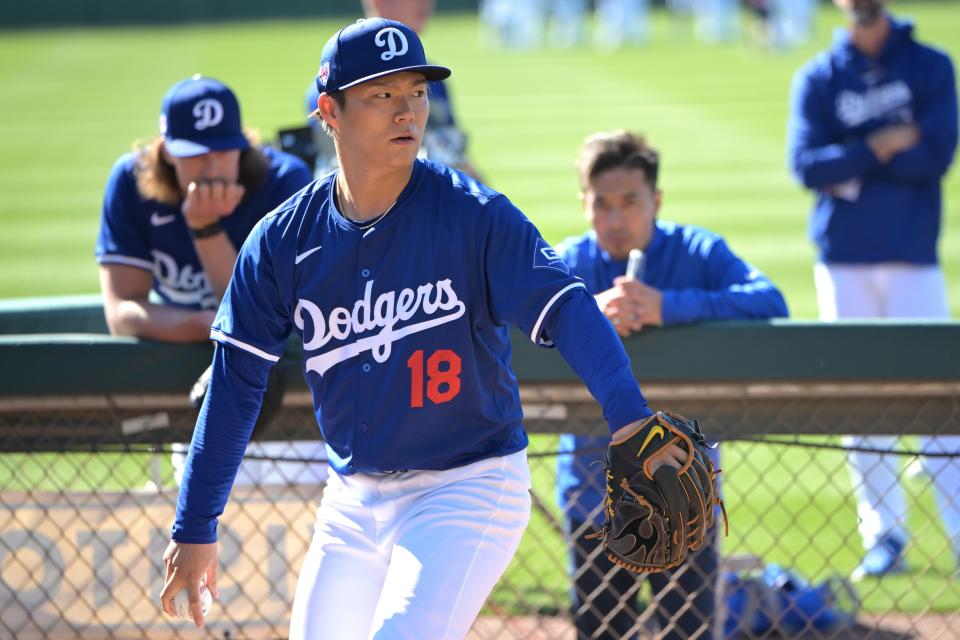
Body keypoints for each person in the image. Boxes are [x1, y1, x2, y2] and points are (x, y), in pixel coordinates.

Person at [159, 19, 693, 638]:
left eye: (415, 91)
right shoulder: (282, 241)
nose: (405, 110)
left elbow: (568, 309)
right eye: (381, 95)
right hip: (352, 502)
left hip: (468, 486)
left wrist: (629, 418)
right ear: (329, 111)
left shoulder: (474, 216)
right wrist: (195, 525)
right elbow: (235, 385)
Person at [556, 130, 788, 639]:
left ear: (656, 201)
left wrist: (669, 307)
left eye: (630, 203)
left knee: (689, 629)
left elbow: (770, 302)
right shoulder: (568, 261)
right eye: (602, 205)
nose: (615, 220)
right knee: (600, 629)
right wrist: (584, 315)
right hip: (595, 490)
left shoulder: (697, 250)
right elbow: (502, 317)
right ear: (583, 204)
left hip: (684, 485)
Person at [787, 0, 959, 580]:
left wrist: (852, 159)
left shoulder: (930, 65)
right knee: (860, 404)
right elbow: (807, 167)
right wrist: (881, 145)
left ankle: (958, 529)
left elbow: (934, 158)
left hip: (913, 258)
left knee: (940, 401)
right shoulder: (819, 75)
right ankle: (884, 536)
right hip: (843, 261)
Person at [94, 75, 322, 487]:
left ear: (243, 146)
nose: (212, 167)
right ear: (165, 153)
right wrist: (205, 325)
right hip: (200, 394)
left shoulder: (284, 183)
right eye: (196, 155)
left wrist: (205, 229)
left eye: (223, 151)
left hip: (286, 394)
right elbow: (122, 313)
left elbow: (266, 319)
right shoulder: (131, 184)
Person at [303, 0, 481, 180]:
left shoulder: (433, 78)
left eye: (418, 93)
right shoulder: (338, 85)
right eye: (383, 95)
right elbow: (345, 173)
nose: (427, 3)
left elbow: (457, 160)